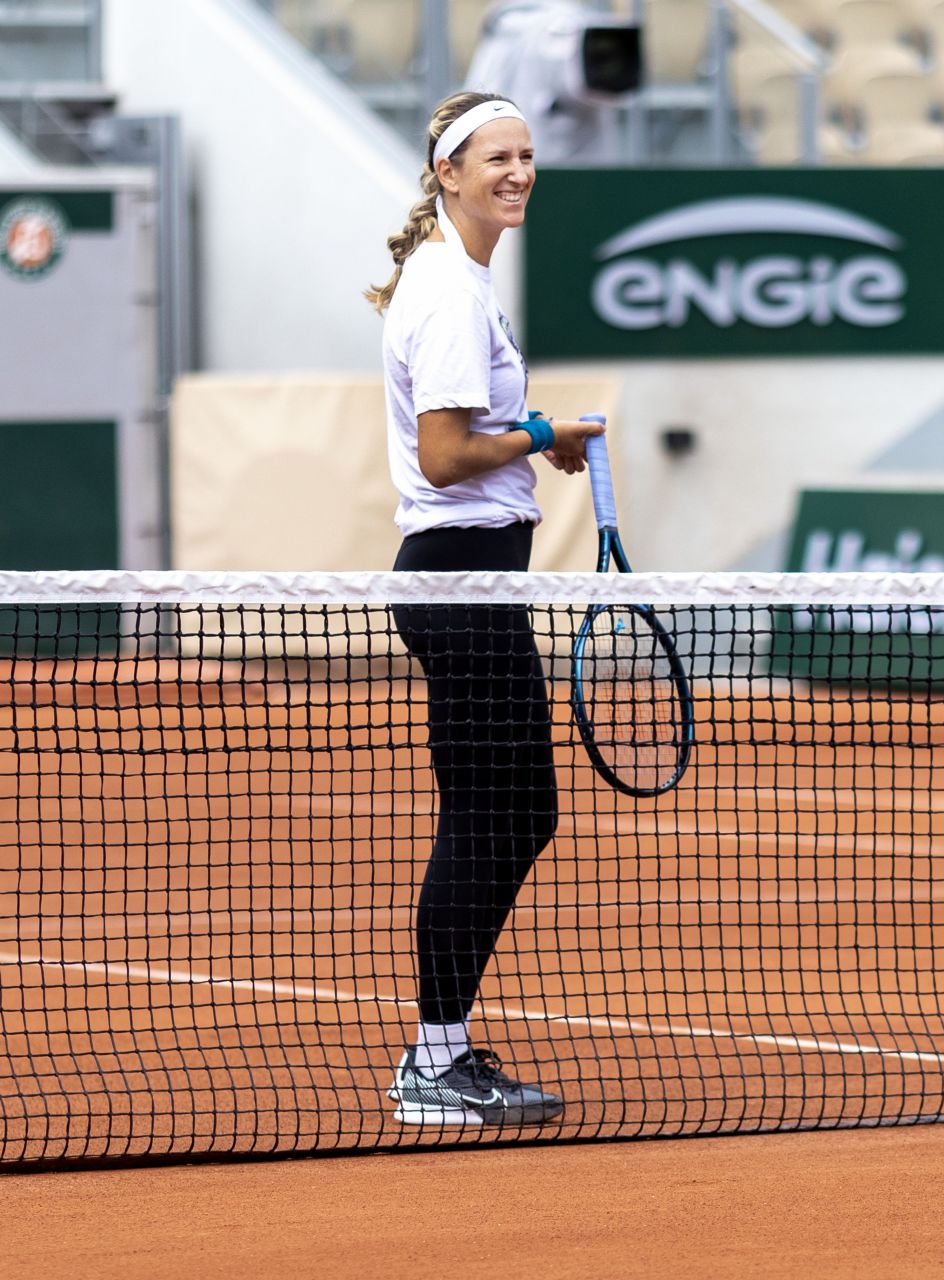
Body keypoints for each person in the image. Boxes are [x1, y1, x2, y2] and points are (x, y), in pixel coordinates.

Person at [366, 90, 605, 1125]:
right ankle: (434, 1058)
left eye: (525, 154)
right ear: (447, 174)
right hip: (460, 579)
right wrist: (542, 426)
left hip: (474, 578)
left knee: (518, 811)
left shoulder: (455, 280)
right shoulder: (452, 293)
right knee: (491, 814)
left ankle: (444, 1047)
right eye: (495, 157)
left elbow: (473, 438)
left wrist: (532, 432)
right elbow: (446, 452)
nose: (517, 171)